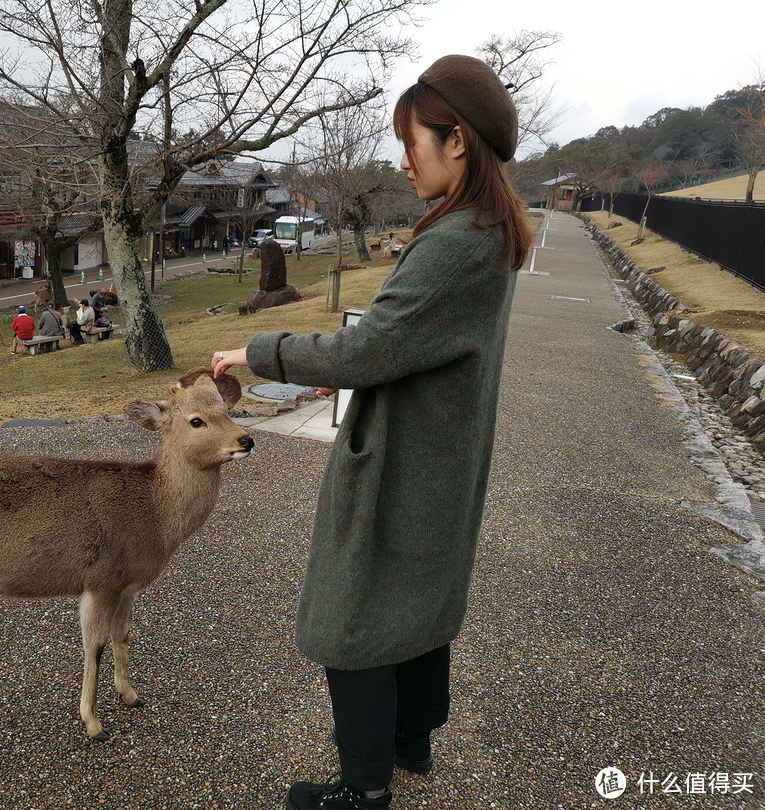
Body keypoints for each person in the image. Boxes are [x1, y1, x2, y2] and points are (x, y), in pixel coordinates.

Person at [210, 54, 532, 810]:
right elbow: (409, 343)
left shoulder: (456, 242)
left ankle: (362, 790)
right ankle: (410, 741)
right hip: (440, 454)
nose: (402, 157)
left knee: (352, 620)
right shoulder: (488, 228)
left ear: (457, 141)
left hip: (408, 461)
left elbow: (368, 347)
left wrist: (260, 353)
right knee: (417, 604)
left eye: (410, 139)